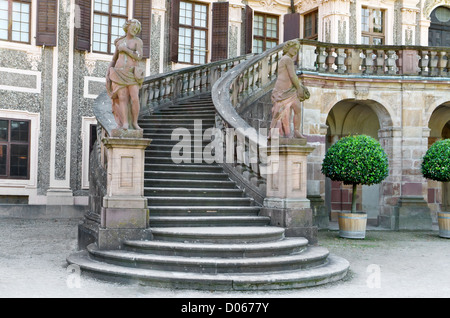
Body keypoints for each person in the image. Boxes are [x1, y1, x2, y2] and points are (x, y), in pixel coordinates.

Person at [106, 19, 145, 131]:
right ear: (127, 27)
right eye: (133, 27)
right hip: (118, 72)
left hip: (132, 73)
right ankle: (125, 123)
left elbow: (139, 56)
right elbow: (114, 59)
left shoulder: (138, 41)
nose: (135, 30)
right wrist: (108, 71)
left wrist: (125, 49)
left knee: (135, 98)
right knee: (122, 98)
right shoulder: (119, 42)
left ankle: (135, 122)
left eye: (137, 29)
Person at [270, 40, 310, 139]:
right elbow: (292, 76)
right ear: (288, 48)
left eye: (297, 50)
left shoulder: (286, 59)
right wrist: (299, 88)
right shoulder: (287, 59)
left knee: (297, 108)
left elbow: (292, 77)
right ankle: (279, 132)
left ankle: (296, 131)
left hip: (289, 90)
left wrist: (298, 87)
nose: (295, 51)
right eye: (294, 49)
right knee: (280, 112)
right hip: (283, 90)